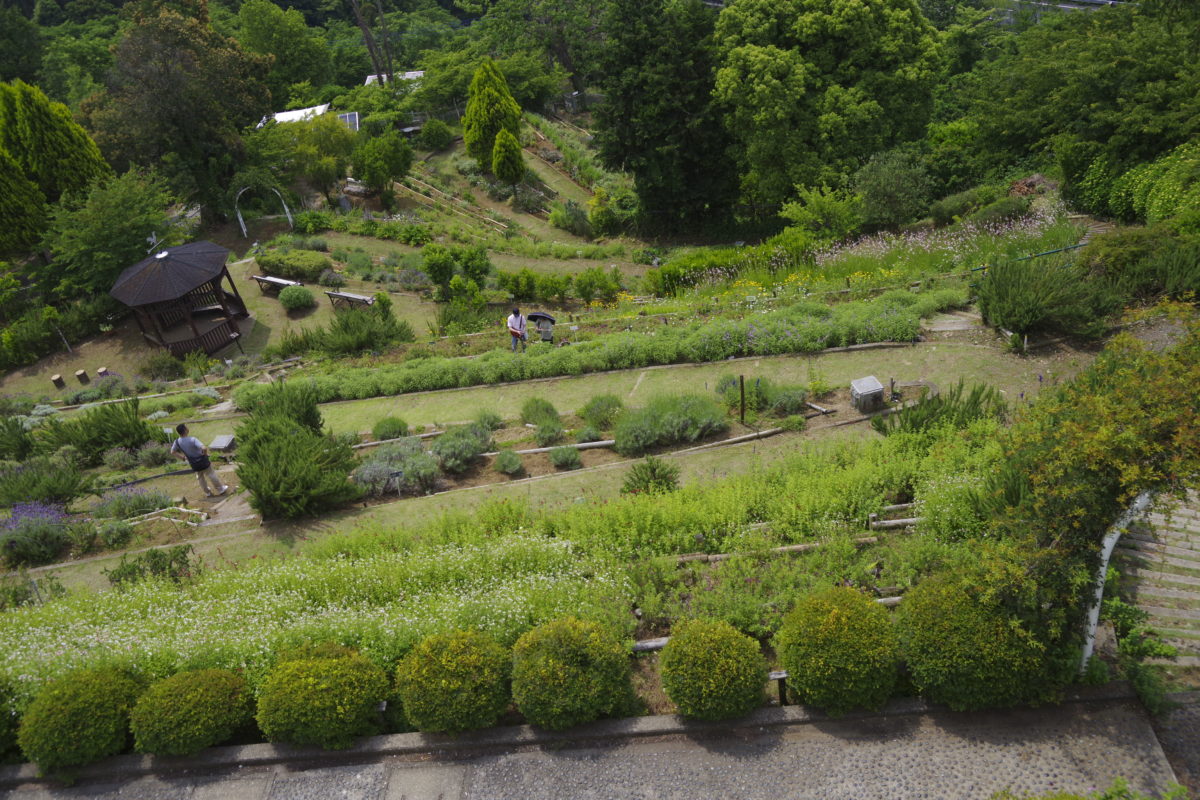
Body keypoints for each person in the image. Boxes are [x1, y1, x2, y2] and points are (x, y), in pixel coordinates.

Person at [171, 423, 229, 497]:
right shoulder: (192, 439)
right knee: (211, 474)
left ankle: (207, 492)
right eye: (187, 427)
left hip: (193, 463)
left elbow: (172, 452)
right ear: (185, 430)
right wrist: (204, 454)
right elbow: (204, 448)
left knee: (200, 477)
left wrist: (182, 458)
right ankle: (220, 489)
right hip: (202, 460)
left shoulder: (177, 442)